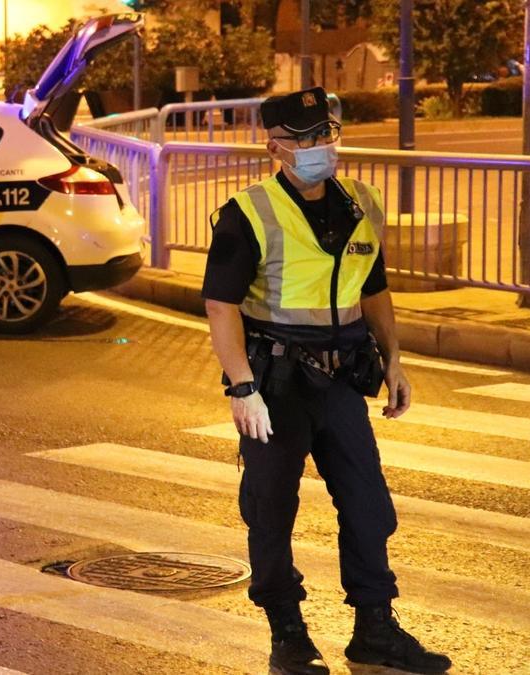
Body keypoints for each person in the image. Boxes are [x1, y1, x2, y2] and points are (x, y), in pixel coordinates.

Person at [202, 87, 451, 675]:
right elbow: (220, 306)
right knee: (270, 508)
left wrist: (394, 359)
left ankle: (374, 629)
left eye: (327, 134)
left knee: (368, 505)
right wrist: (242, 386)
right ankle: (287, 632)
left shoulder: (361, 201)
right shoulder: (249, 212)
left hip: (342, 380)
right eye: (307, 138)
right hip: (276, 382)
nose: (322, 147)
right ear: (276, 146)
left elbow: (374, 287)